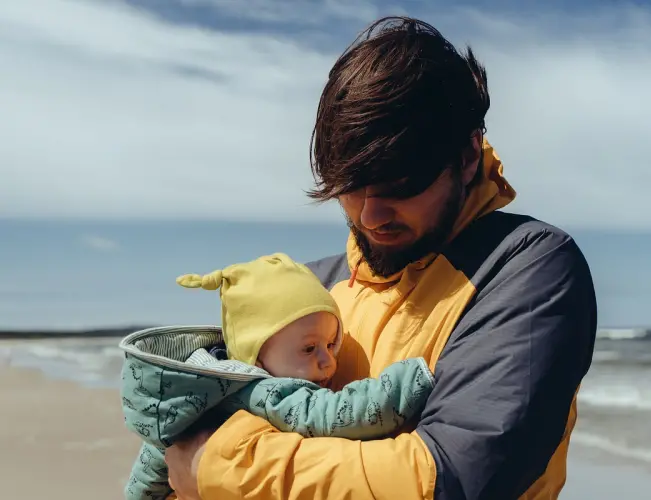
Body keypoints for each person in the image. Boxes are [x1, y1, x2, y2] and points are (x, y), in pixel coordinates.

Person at [165, 15, 597, 500]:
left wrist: (218, 466)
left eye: (399, 186)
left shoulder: (526, 268)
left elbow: (451, 478)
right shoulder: (311, 288)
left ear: (468, 155)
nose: (370, 216)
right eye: (349, 189)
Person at [119, 253, 434, 500]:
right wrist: (410, 380)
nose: (329, 362)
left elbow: (150, 467)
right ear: (255, 353)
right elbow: (340, 414)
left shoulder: (197, 390)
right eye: (309, 349)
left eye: (330, 344)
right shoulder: (267, 393)